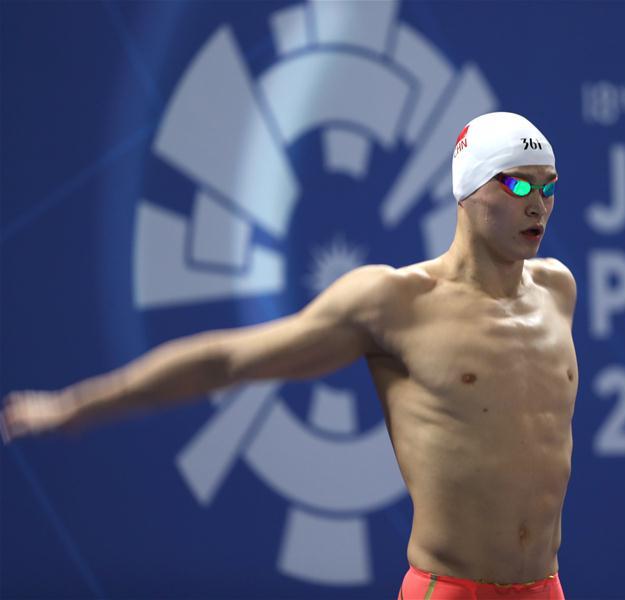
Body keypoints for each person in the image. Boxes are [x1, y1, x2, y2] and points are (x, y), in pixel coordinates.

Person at [2, 112, 575, 599]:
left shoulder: (558, 291)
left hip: (547, 588)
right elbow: (229, 361)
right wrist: (80, 404)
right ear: (469, 191)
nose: (539, 206)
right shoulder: (397, 303)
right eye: (518, 187)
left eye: (548, 187)